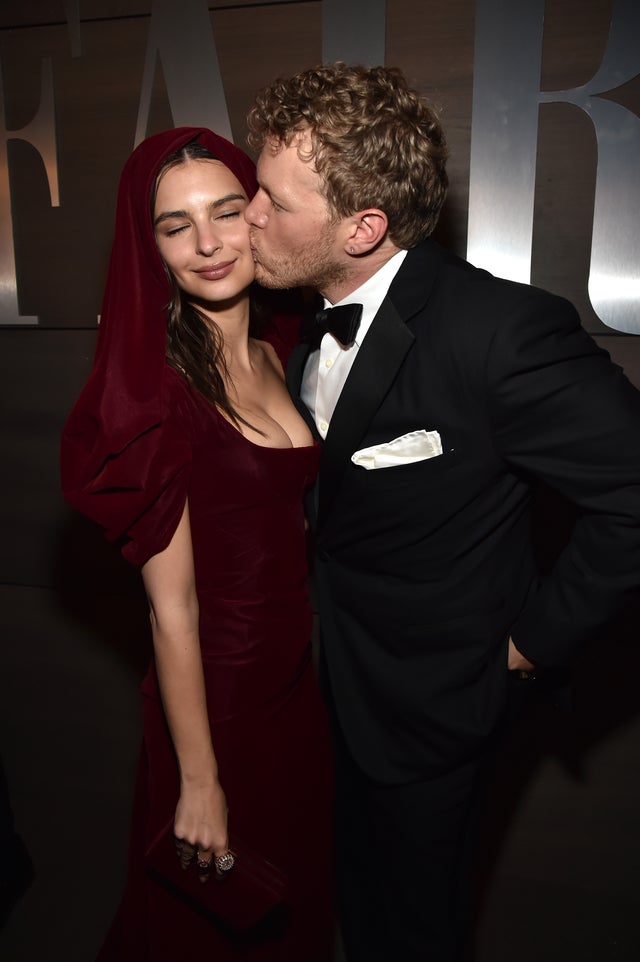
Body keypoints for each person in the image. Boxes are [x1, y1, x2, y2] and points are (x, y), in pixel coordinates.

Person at [244, 63, 640, 961]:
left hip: (435, 713)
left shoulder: (500, 332)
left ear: (363, 226)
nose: (250, 214)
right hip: (325, 696)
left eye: (271, 199)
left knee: (415, 935)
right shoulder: (303, 317)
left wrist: (528, 643)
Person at [60, 127, 334, 962]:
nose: (209, 243)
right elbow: (172, 613)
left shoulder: (279, 353)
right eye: (177, 226)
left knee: (293, 916)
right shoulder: (156, 399)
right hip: (213, 710)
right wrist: (200, 781)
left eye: (226, 212)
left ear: (261, 218)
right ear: (151, 250)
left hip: (297, 693)